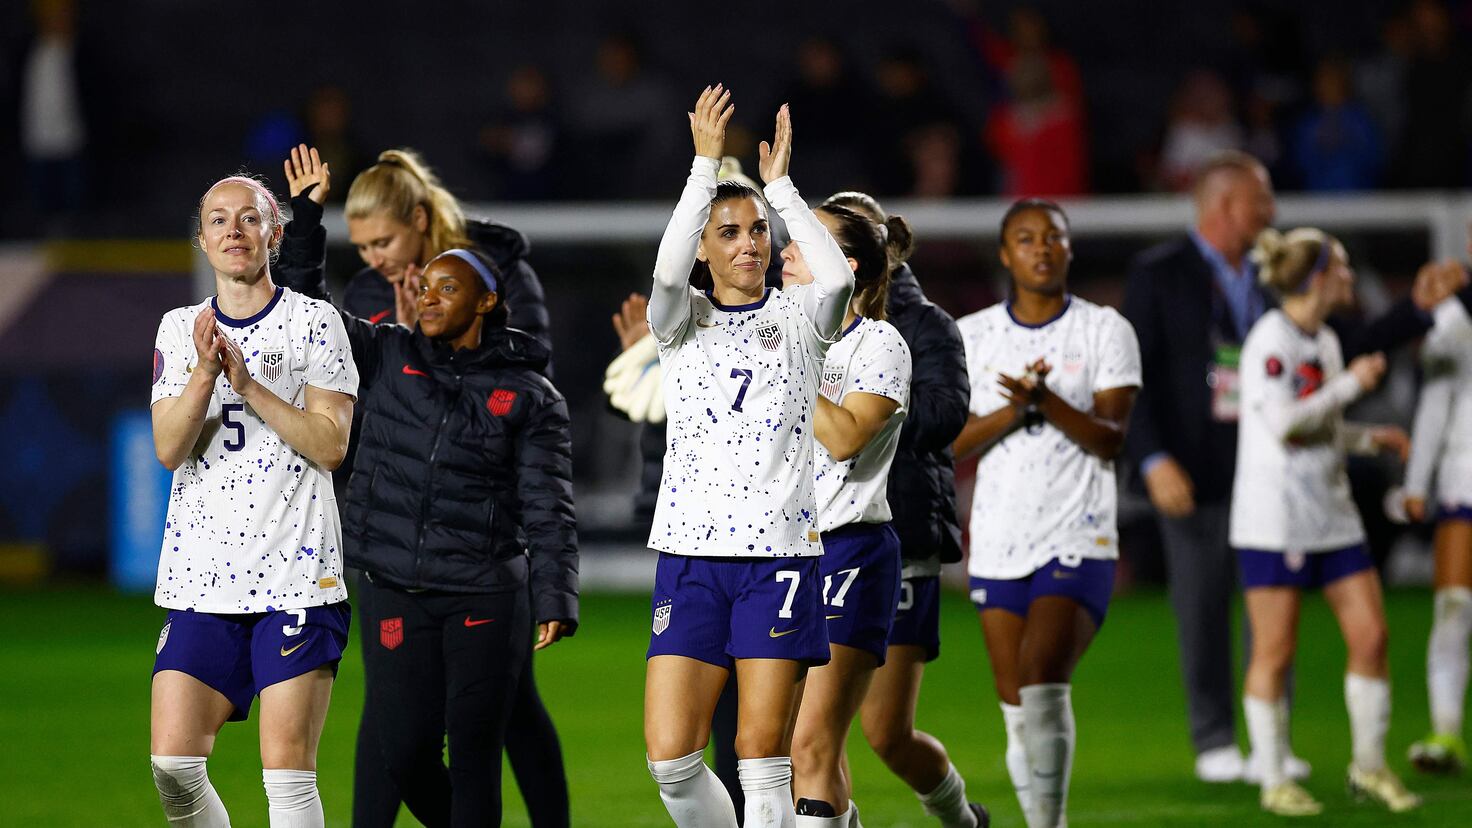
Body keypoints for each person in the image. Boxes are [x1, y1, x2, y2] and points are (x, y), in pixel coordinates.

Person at [1122, 150, 1469, 784]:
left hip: (1274, 472)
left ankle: (1269, 748)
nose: (1272, 211)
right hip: (1193, 470)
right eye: (1261, 199)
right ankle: (1215, 742)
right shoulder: (1159, 273)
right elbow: (1130, 376)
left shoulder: (1273, 272)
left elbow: (1344, 340)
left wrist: (1413, 313)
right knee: (1200, 607)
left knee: (1271, 614)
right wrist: (1151, 459)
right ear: (1226, 204)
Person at [275, 146, 571, 827]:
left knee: (483, 737)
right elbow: (309, 316)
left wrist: (554, 589)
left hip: (482, 561)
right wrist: (305, 219)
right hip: (398, 551)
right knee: (402, 737)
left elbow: (539, 465)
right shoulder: (384, 326)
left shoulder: (511, 327)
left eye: (384, 240)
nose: (376, 257)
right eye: (365, 244)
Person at [643, 87, 854, 828]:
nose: (747, 243)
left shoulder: (800, 320)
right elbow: (667, 278)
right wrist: (703, 171)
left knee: (762, 760)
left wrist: (784, 191)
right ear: (705, 247)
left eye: (756, 231)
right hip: (691, 556)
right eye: (727, 233)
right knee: (671, 758)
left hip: (779, 559)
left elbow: (838, 279)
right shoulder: (680, 323)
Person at [149, 174, 359, 827]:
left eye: (248, 219)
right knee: (174, 769)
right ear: (201, 240)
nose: (233, 232)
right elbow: (167, 447)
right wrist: (208, 374)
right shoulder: (180, 329)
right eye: (218, 220)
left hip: (297, 581)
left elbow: (330, 445)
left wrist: (252, 386)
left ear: (274, 233)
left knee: (286, 777)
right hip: (200, 581)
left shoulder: (315, 323)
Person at [953, 199, 1141, 828]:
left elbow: (1111, 436)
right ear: (1006, 254)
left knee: (1040, 679)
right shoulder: (974, 335)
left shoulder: (1104, 330)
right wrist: (1016, 412)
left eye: (1053, 238)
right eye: (1026, 239)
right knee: (1015, 705)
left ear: (1069, 248)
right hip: (1000, 535)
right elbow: (947, 441)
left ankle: (1047, 824)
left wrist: (1047, 401)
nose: (1041, 248)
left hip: (1078, 534)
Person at [1231, 227, 1420, 815]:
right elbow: (1285, 423)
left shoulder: (1327, 340)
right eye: (1339, 266)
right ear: (1316, 278)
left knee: (1372, 636)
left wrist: (1369, 438)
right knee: (1275, 651)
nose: (1347, 277)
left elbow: (1322, 426)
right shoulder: (1271, 339)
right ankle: (1273, 778)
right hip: (1275, 519)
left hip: (1331, 513)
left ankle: (1368, 767)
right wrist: (1351, 386)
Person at [820, 192, 981, 828]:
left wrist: (873, 404)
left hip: (899, 532)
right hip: (811, 536)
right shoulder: (806, 320)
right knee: (811, 736)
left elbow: (944, 414)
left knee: (886, 733)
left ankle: (961, 818)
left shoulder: (924, 325)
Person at [1403, 259, 1472, 775]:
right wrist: (1415, 481)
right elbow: (1435, 401)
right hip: (1464, 481)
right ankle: (1446, 732)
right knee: (1453, 608)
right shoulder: (1453, 318)